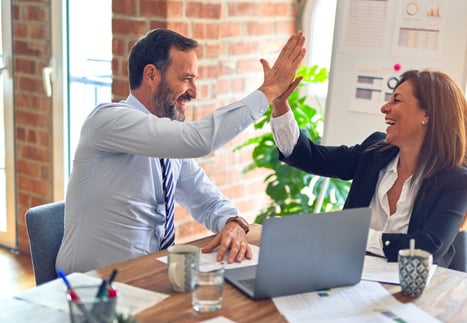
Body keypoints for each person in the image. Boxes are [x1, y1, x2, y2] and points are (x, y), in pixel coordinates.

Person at [56, 28, 306, 273]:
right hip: (90, 288)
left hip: (148, 278)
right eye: (186, 79)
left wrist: (233, 222)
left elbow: (206, 200)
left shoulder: (167, 144)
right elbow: (200, 140)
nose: (194, 93)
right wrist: (269, 90)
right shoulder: (107, 121)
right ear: (151, 75)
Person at [269, 69, 467, 268]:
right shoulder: (374, 152)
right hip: (350, 277)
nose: (384, 108)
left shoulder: (458, 182)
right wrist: (280, 104)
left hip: (415, 293)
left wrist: (355, 235)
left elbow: (427, 247)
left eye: (396, 100)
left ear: (427, 115)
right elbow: (308, 156)